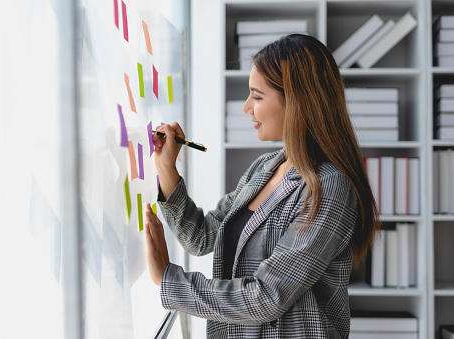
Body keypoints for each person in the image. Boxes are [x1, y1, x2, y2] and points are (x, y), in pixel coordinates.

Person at [144, 34, 381, 339]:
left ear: (298, 102)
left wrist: (169, 279)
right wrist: (167, 168)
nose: (246, 108)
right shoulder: (265, 167)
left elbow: (268, 297)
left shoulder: (330, 187)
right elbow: (202, 238)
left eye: (256, 96)